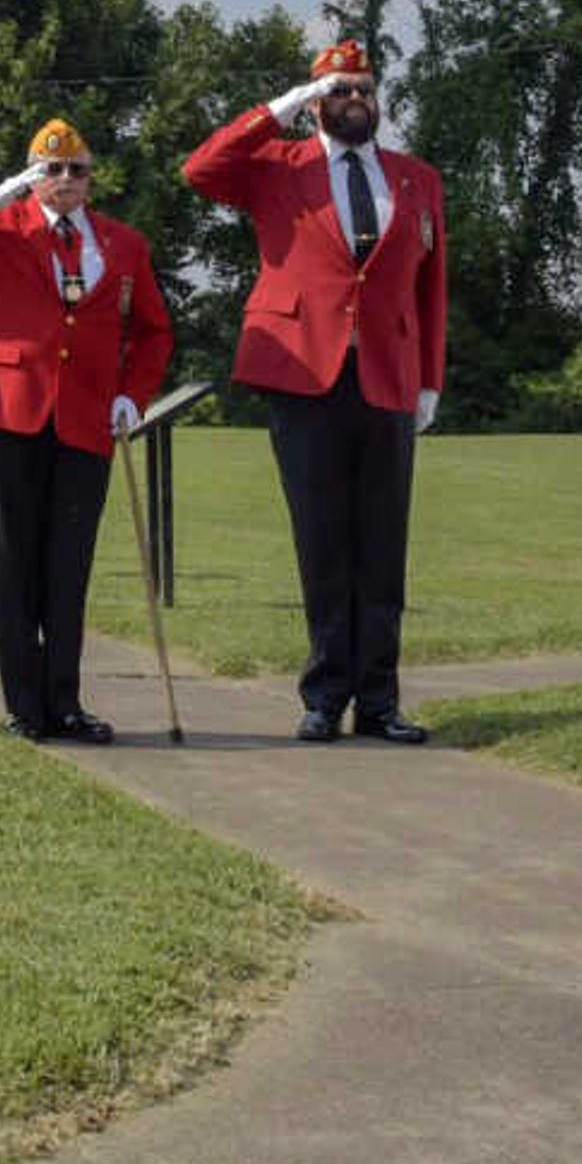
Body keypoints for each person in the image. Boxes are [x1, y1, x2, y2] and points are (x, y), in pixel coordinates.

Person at [184, 40, 450, 745]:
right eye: (338, 90)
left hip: (388, 374)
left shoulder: (415, 178)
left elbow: (432, 286)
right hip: (304, 373)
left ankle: (381, 700)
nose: (355, 100)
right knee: (322, 539)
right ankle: (325, 694)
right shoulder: (277, 168)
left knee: (383, 545)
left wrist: (429, 380)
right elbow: (201, 169)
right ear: (316, 105)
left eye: (363, 87)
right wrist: (281, 108)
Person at [0, 116, 173, 743]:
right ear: (33, 177)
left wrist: (133, 397)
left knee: (69, 565)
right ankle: (25, 705)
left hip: (86, 416)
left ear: (91, 179)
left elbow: (155, 331)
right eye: (50, 169)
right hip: (10, 408)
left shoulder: (122, 243)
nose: (64, 180)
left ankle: (66, 703)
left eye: (76, 170)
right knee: (17, 561)